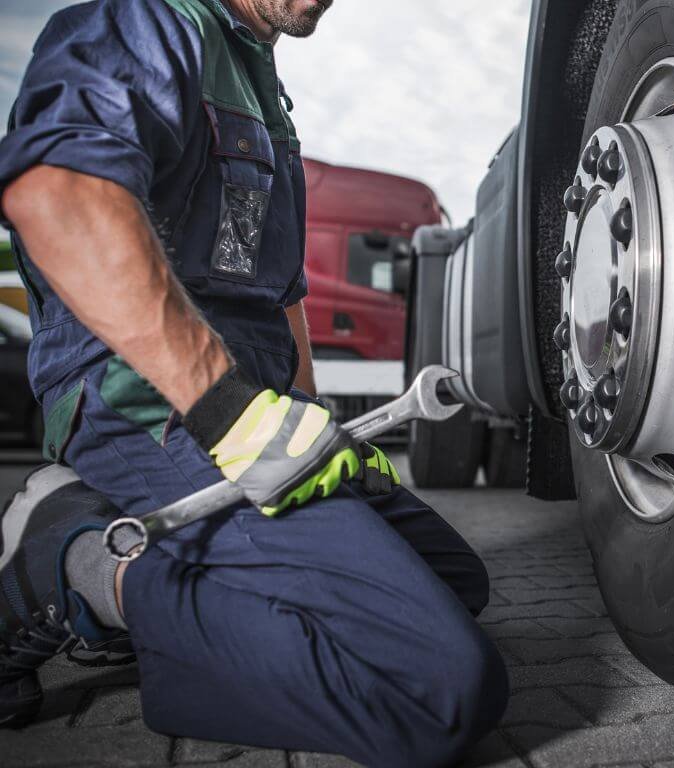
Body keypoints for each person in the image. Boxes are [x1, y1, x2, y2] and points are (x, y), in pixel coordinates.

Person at [0, 1, 509, 765]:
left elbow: (280, 294)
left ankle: (145, 556)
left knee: (452, 580)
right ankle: (73, 565)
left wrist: (311, 422)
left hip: (249, 407)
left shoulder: (259, 78)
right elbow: (57, 192)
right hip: (148, 404)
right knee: (436, 685)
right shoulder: (147, 21)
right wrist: (227, 412)